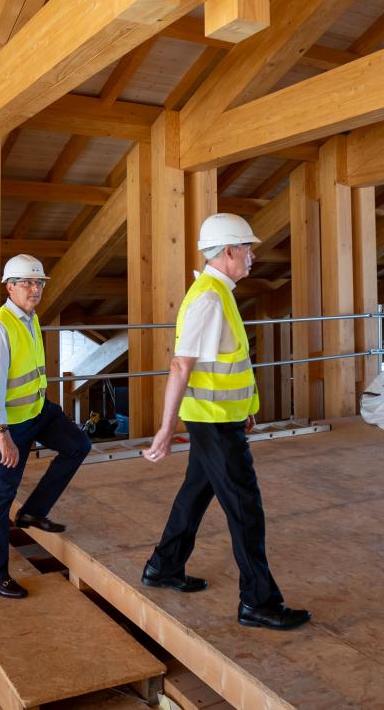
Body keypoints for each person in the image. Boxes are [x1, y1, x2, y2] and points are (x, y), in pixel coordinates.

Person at [141, 214, 311, 630]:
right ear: (229, 251)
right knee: (245, 508)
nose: (253, 255)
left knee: (195, 495)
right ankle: (258, 601)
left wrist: (246, 407)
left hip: (221, 419)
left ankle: (163, 567)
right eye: (247, 248)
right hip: (214, 425)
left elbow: (225, 362)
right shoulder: (209, 298)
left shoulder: (220, 293)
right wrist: (166, 430)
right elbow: (180, 365)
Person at [0, 255, 91, 599]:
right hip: (7, 424)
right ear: (9, 287)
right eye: (26, 282)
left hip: (37, 411)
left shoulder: (30, 319)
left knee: (78, 445)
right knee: (0, 498)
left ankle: (34, 512)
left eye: (38, 283)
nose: (34, 288)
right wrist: (2, 436)